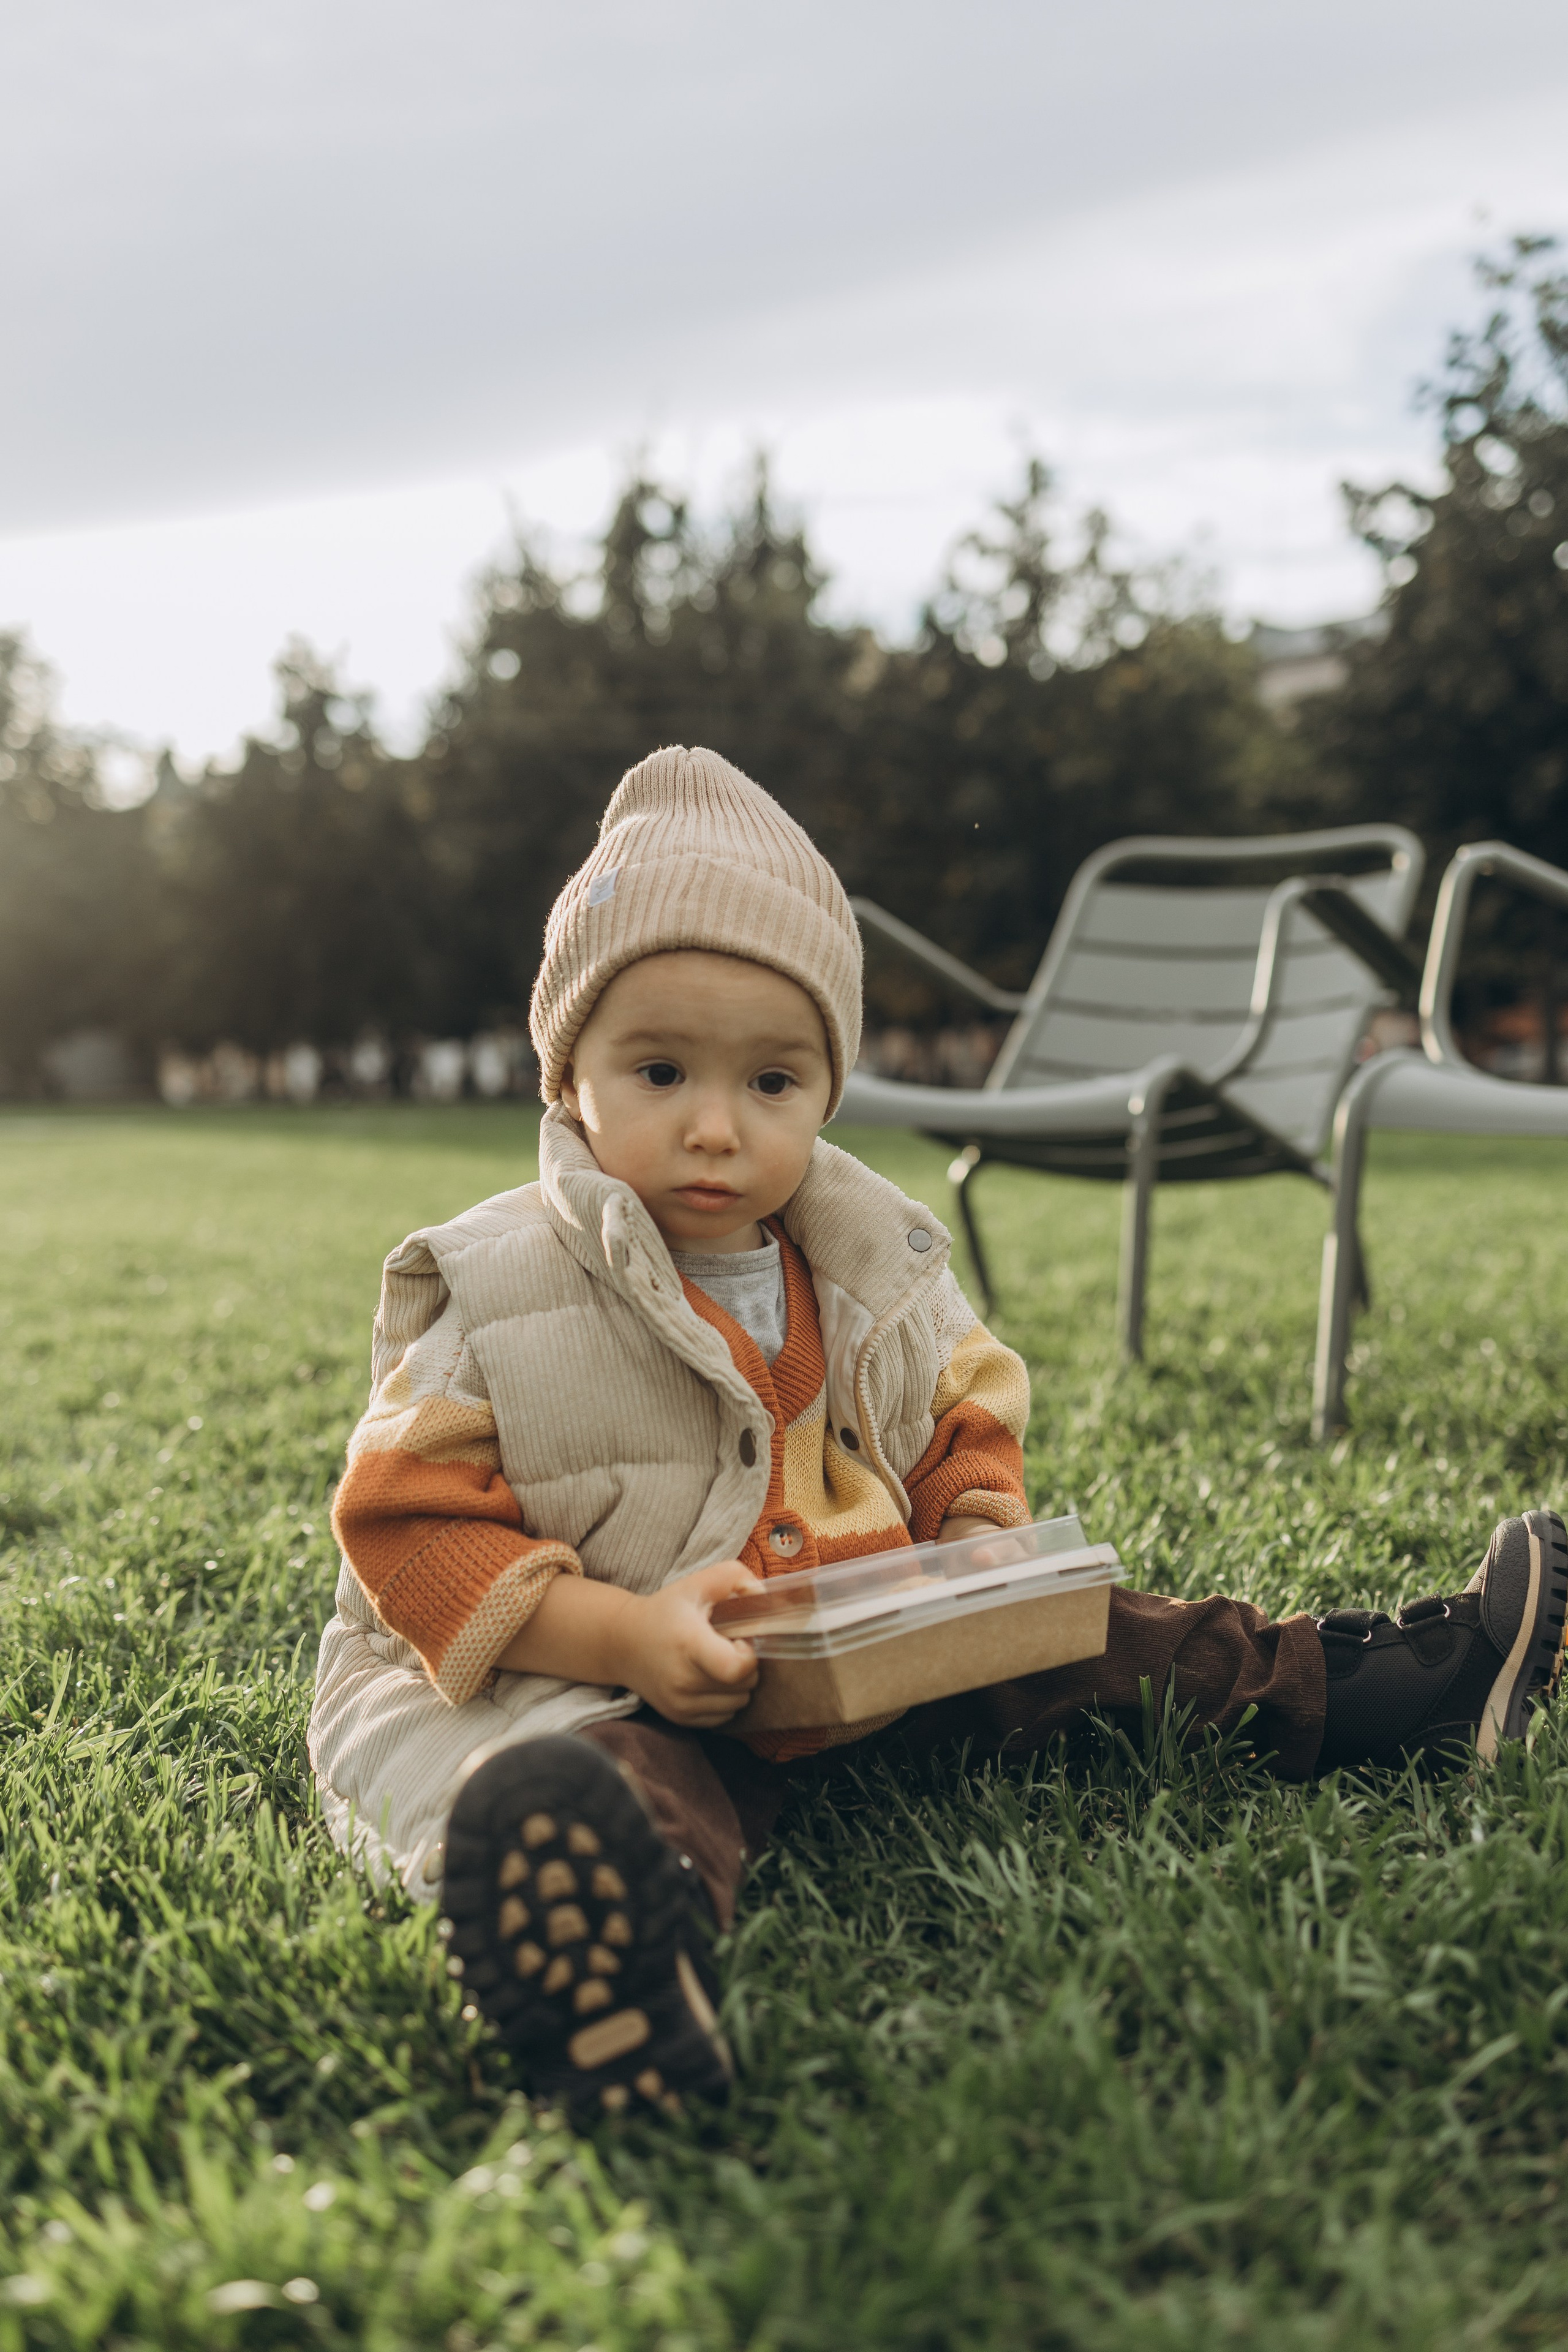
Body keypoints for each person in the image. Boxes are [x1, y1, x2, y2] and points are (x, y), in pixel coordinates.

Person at [307, 746, 1568, 2120]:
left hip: (858, 1646)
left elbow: (963, 1401)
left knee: (1101, 1633)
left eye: (771, 1083)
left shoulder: (861, 1256)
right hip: (607, 1674)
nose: (716, 1127)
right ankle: (611, 1967)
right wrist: (622, 1639)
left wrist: (974, 1532)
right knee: (620, 1787)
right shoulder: (497, 1282)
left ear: (826, 1091)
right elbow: (406, 1526)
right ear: (568, 1080)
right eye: (659, 1070)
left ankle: (1400, 1689)